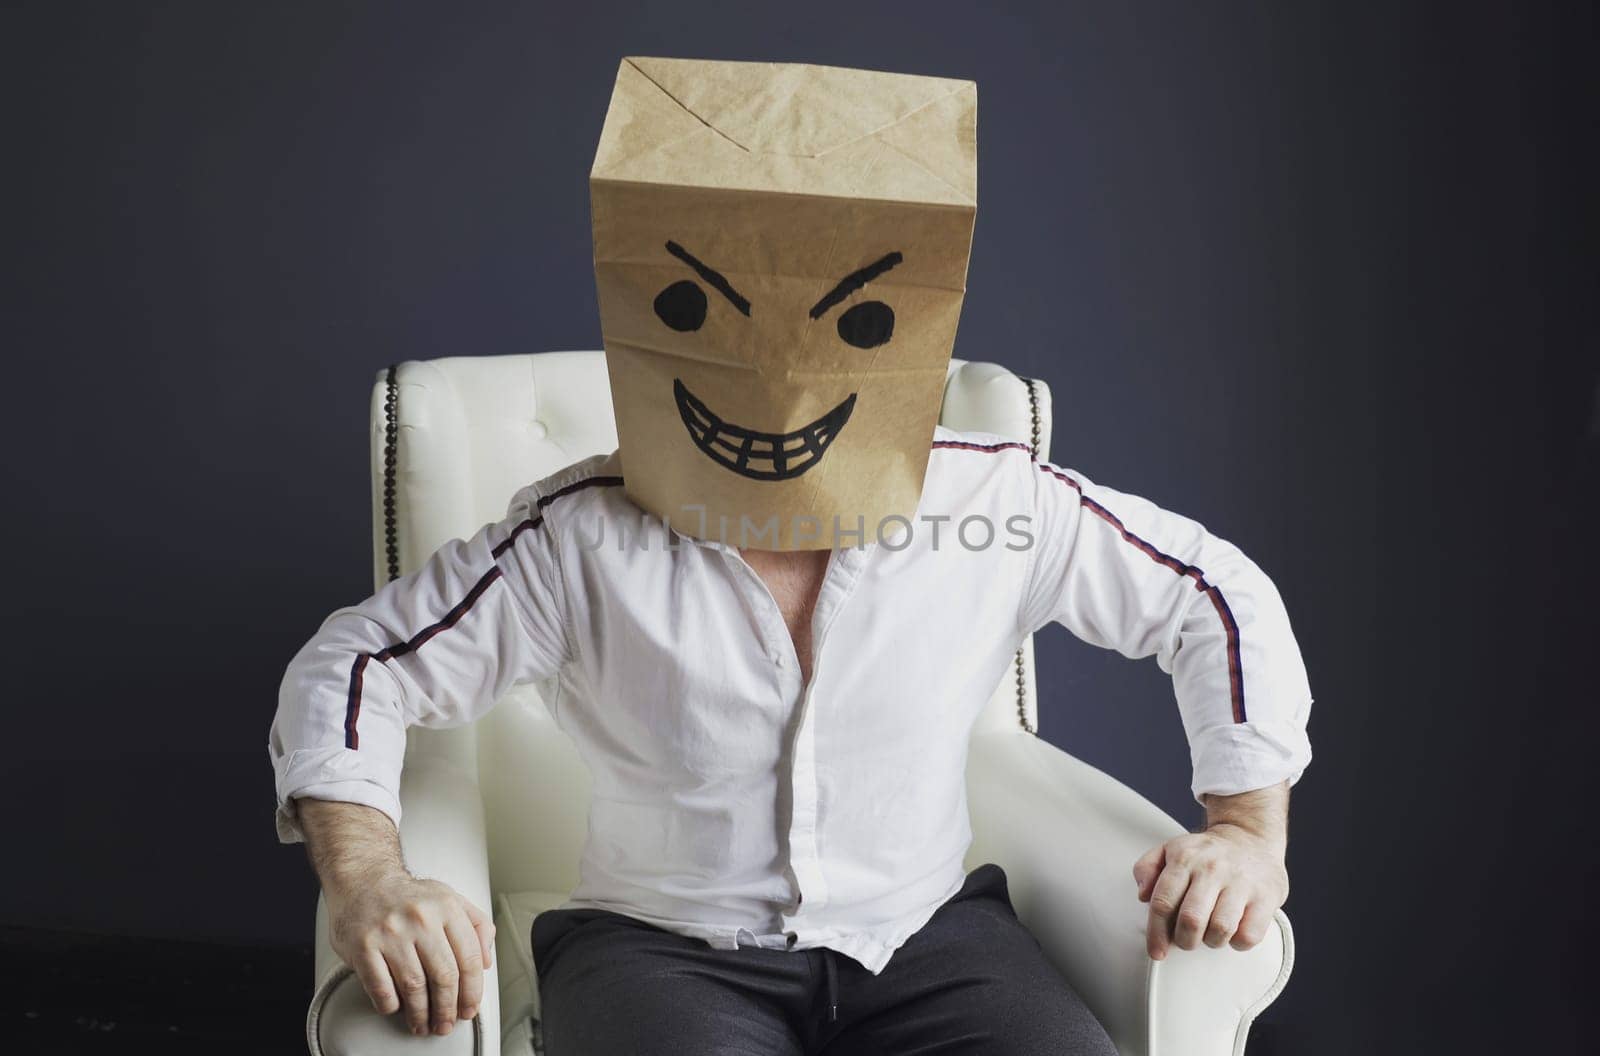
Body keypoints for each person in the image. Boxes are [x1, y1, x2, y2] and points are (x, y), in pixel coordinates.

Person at [268, 57, 1312, 1055]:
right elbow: (355, 666)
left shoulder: (995, 497)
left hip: (933, 940)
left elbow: (1213, 597)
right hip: (657, 951)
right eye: (690, 311)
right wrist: (371, 879)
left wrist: (1244, 832)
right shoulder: (576, 536)